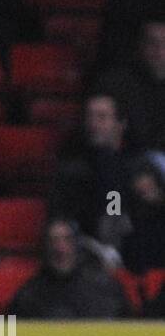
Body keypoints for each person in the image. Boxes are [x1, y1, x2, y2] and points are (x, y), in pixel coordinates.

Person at [50, 94, 137, 250]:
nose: (93, 124)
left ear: (121, 124)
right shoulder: (71, 171)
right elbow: (61, 219)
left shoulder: (140, 166)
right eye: (90, 117)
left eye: (102, 117)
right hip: (86, 254)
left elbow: (117, 210)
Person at [9, 218, 128, 319]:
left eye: (67, 239)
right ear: (44, 247)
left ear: (77, 245)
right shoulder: (27, 298)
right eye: (53, 241)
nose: (61, 249)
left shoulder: (107, 290)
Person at [95, 18, 165, 158]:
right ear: (140, 46)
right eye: (152, 42)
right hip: (128, 162)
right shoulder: (116, 84)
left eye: (164, 43)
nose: (160, 50)